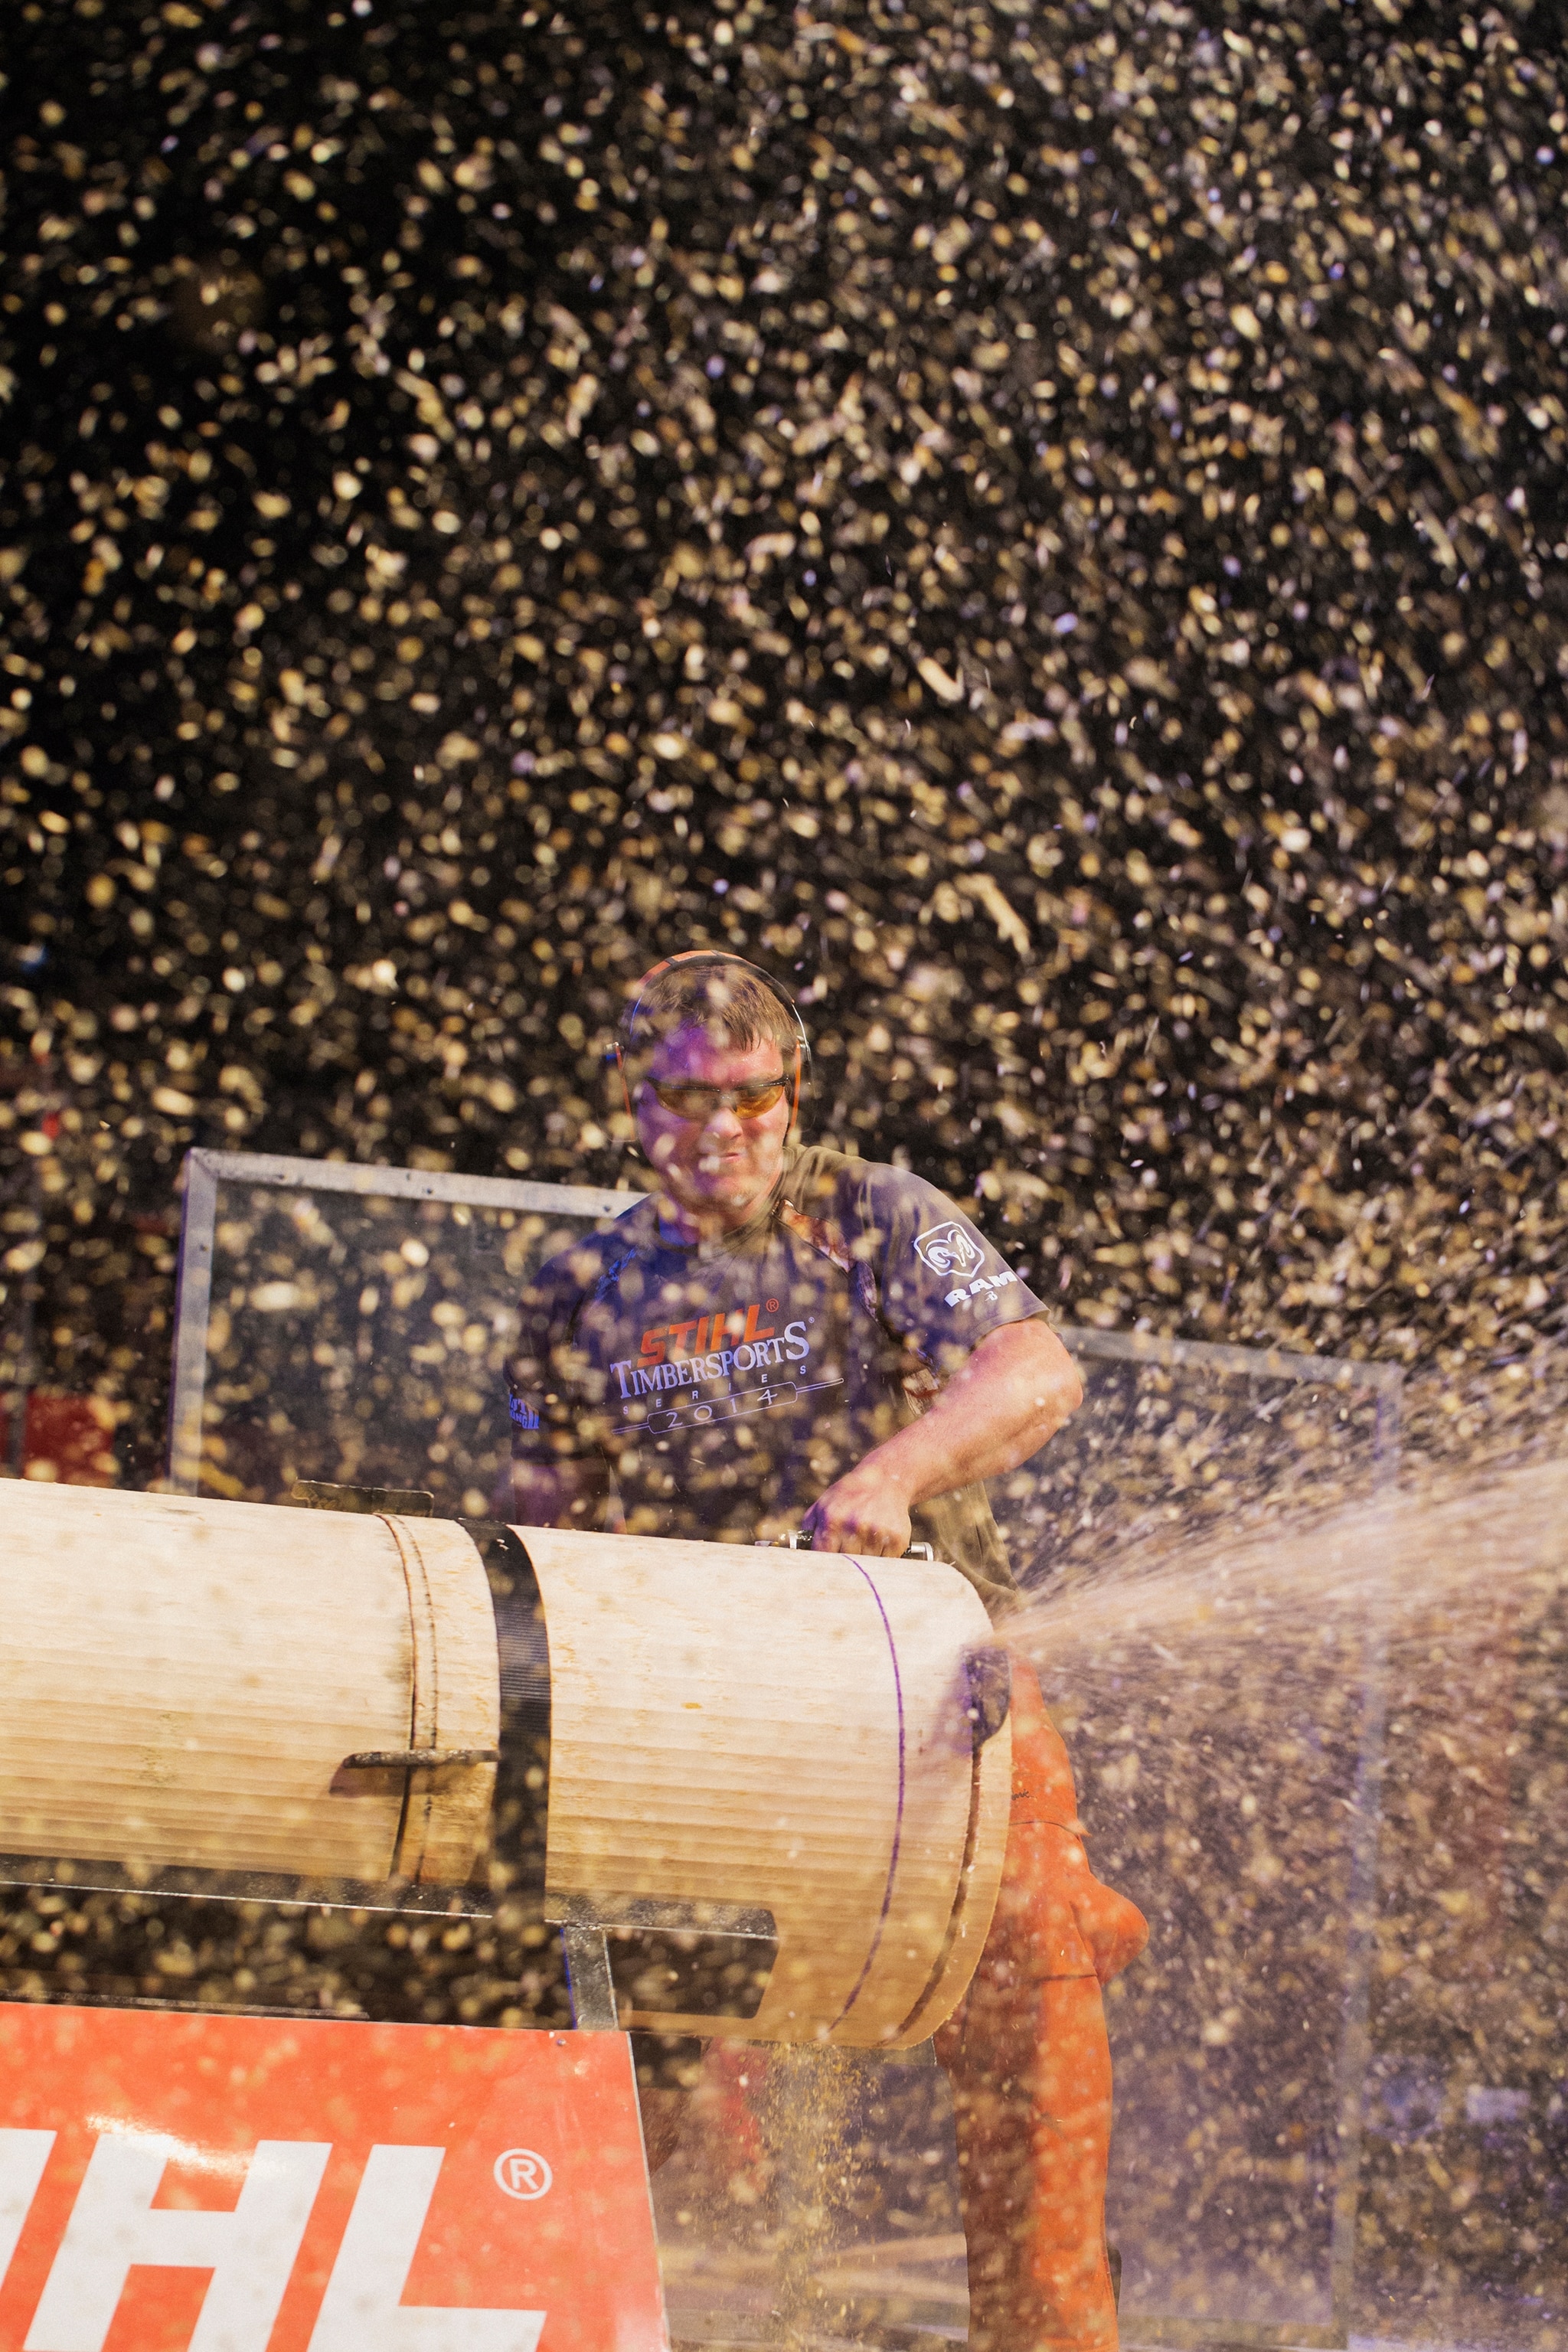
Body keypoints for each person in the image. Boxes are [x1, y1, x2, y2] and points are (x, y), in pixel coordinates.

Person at [506, 950, 1148, 2352]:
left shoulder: (873, 1212)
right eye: (688, 1101)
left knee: (1036, 1973)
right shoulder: (578, 1283)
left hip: (933, 1692)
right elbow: (544, 1523)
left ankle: (1051, 2337)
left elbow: (1034, 1371)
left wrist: (893, 1477)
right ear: (635, 1103)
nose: (722, 1133)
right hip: (700, 1713)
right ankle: (606, 2315)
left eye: (752, 1100)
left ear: (794, 1098)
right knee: (625, 2040)